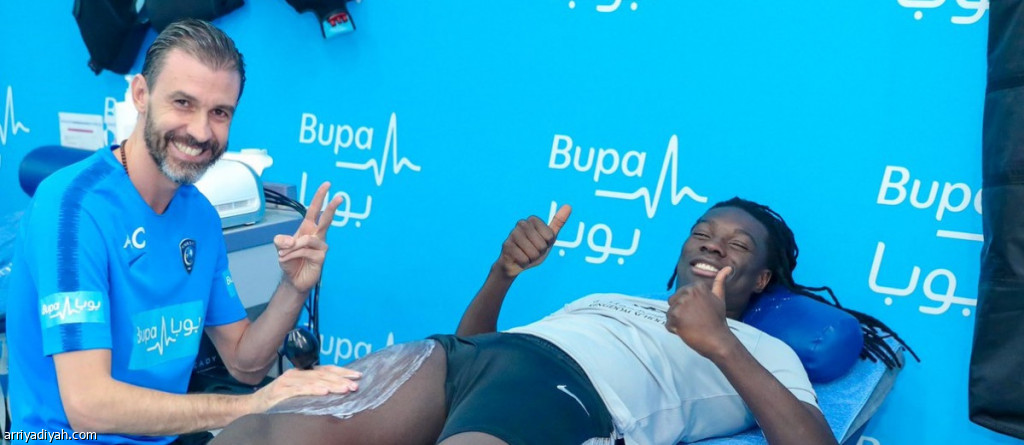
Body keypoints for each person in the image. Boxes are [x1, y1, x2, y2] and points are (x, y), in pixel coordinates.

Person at [211, 198, 910, 445]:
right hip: (466, 358)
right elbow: (478, 342)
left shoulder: (760, 347)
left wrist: (721, 343)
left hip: (567, 389)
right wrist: (503, 274)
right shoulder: (608, 296)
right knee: (275, 426)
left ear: (760, 281)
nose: (712, 245)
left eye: (736, 245)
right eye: (703, 233)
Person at [5, 19, 360, 444]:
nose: (200, 131)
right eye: (183, 103)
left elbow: (245, 363)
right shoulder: (72, 208)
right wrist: (250, 406)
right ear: (141, 95)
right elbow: (89, 406)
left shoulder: (201, 216)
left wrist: (293, 288)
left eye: (219, 112)